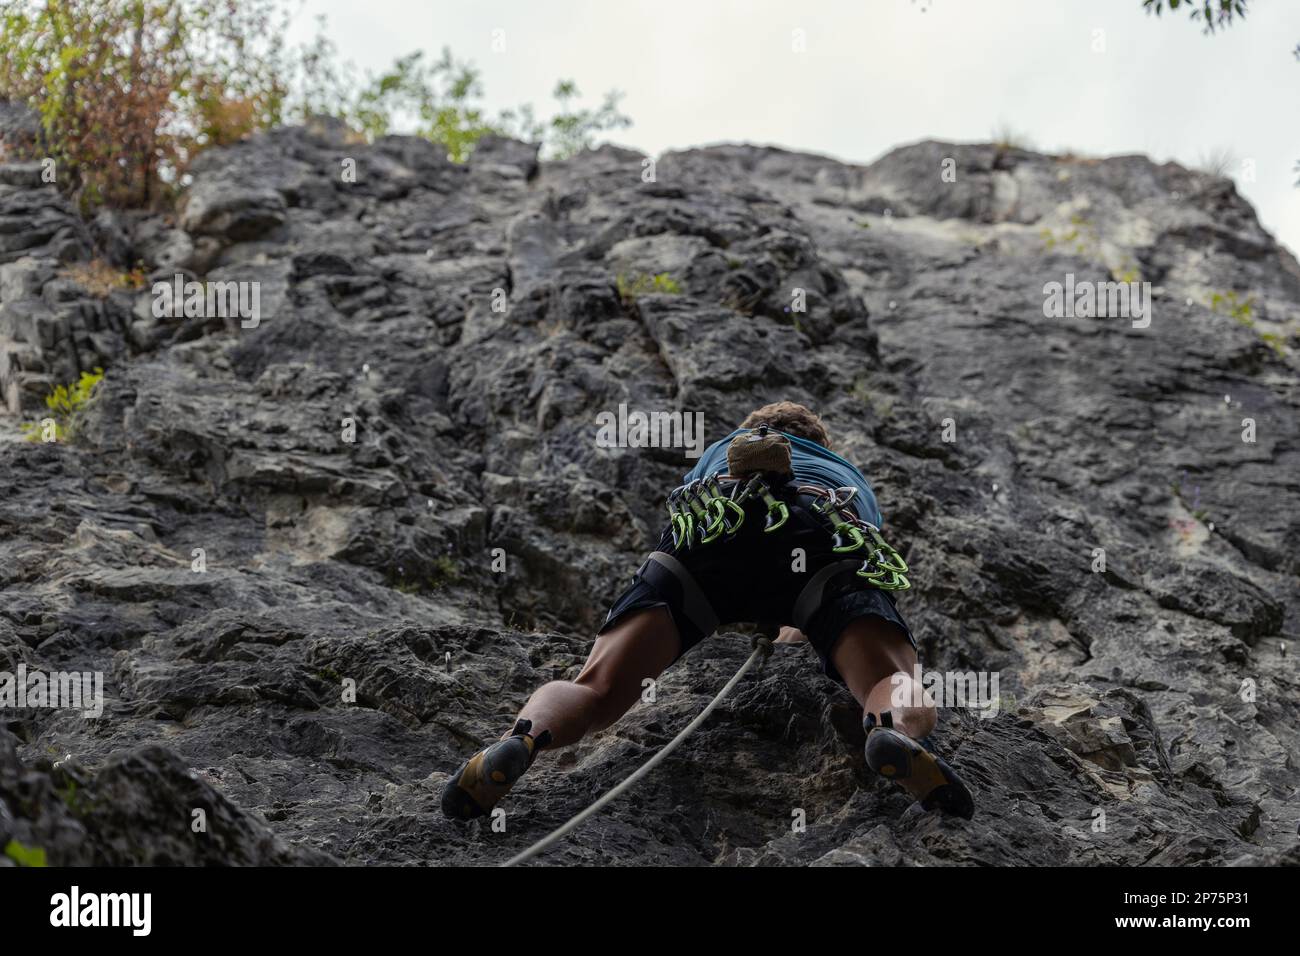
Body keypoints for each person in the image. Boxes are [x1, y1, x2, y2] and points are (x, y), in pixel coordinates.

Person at [442, 401, 973, 822]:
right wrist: (795, 620)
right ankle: (890, 728)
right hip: (818, 548)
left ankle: (523, 739)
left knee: (596, 688)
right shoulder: (842, 473)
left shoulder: (718, 454)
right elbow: (809, 623)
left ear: (748, 433)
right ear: (820, 444)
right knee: (891, 677)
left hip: (705, 541)